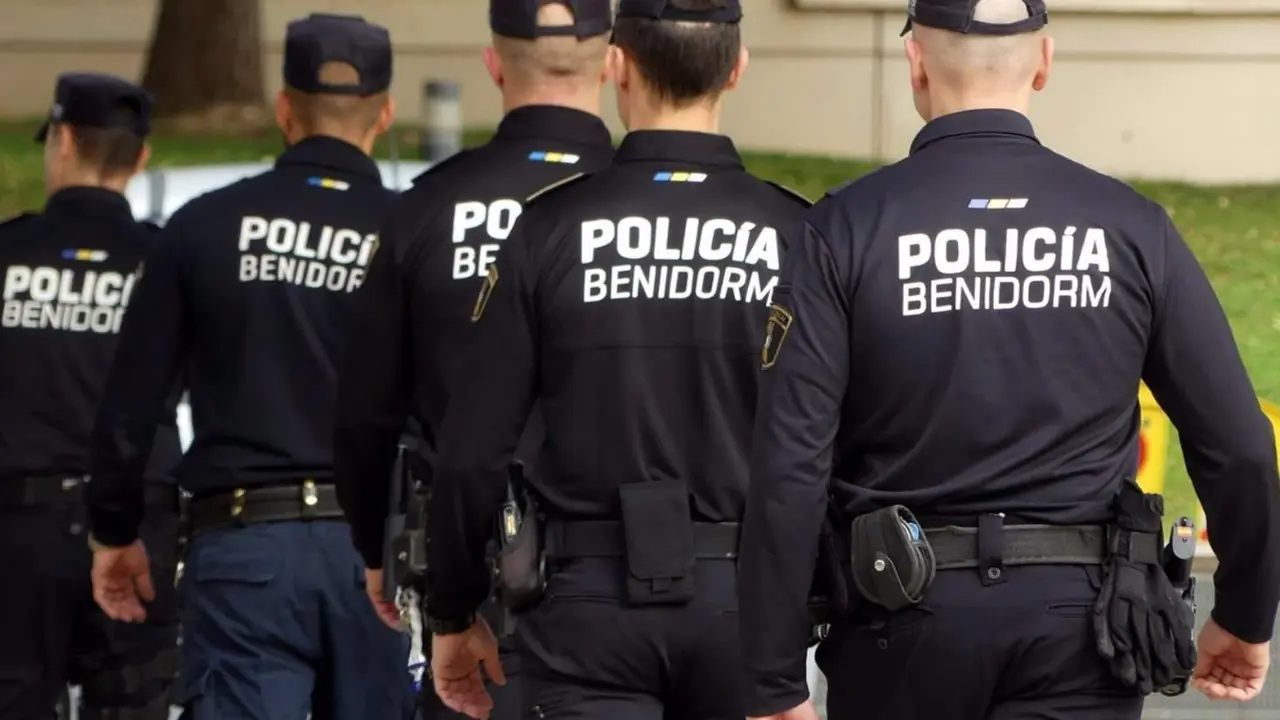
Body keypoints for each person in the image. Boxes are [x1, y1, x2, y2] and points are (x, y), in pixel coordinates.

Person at [736, 0, 1280, 719]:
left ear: (916, 65)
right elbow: (1238, 444)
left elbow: (790, 462)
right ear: (1045, 64)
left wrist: (774, 677)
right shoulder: (1131, 229)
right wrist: (1244, 614)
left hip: (902, 625)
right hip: (1084, 635)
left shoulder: (845, 229)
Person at [420, 1, 813, 717]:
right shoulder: (795, 232)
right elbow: (831, 442)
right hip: (747, 603)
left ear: (615, 65)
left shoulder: (548, 228)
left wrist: (450, 610)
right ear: (736, 69)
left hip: (585, 604)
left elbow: (473, 447)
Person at [85, 14, 416, 720]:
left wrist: (114, 531)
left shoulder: (204, 225)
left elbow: (131, 405)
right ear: (385, 113)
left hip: (244, 554)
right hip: (376, 561)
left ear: (283, 110)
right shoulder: (415, 233)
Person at [332, 0, 614, 717]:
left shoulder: (426, 206)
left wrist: (374, 544)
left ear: (493, 65)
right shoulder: (639, 205)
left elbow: (366, 408)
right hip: (624, 580)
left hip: (468, 572)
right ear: (613, 63)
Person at [0, 72, 184, 720]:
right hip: (140, 533)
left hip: (17, 538)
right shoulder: (168, 263)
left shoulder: (7, 251)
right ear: (141, 157)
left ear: (64, 139)